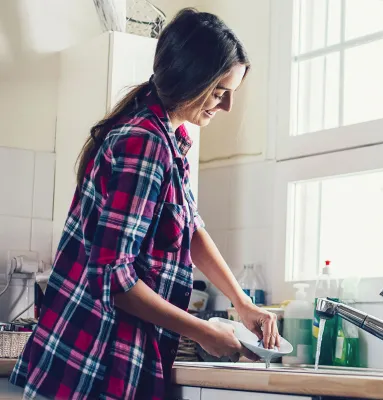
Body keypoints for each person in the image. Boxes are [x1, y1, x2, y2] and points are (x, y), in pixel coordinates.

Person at [10, 8, 280, 400]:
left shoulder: (170, 143)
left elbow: (189, 230)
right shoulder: (144, 142)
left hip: (112, 364)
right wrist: (204, 331)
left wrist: (242, 303)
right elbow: (115, 280)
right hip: (90, 368)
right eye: (220, 92)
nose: (227, 107)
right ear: (191, 79)